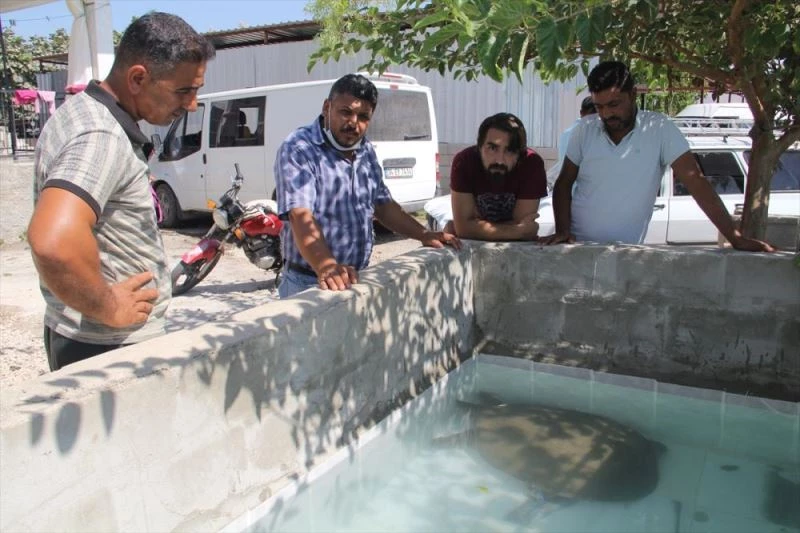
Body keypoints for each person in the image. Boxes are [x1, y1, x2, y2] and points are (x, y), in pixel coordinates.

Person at [27, 13, 215, 371]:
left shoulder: (83, 113)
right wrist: (109, 306)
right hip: (107, 346)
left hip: (91, 338)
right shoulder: (100, 136)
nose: (192, 104)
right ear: (138, 78)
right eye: (184, 90)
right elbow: (52, 242)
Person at [542, 61, 774, 252]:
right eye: (599, 107)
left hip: (626, 254)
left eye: (614, 104)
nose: (606, 114)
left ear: (633, 94)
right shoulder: (584, 130)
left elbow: (696, 183)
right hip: (577, 249)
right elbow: (564, 184)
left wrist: (735, 238)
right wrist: (562, 230)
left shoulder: (660, 129)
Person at [274, 73, 461, 298]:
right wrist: (326, 265)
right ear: (327, 107)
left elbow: (383, 205)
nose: (353, 123)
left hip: (356, 276)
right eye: (346, 112)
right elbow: (300, 215)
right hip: (310, 281)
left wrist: (424, 234)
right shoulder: (300, 148)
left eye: (363, 116)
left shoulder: (365, 149)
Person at [447, 113, 547, 240]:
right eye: (492, 148)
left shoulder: (531, 164)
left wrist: (473, 227)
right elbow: (464, 228)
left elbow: (524, 226)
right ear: (479, 146)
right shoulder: (464, 162)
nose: (499, 160)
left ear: (520, 154)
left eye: (510, 150)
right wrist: (517, 231)